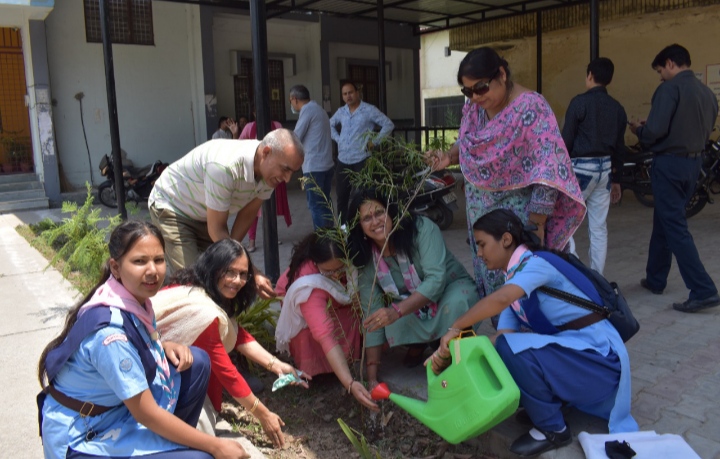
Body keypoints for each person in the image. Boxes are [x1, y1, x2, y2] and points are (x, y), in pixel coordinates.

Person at [429, 209, 637, 457]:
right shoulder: (515, 279)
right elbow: (500, 340)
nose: (479, 253)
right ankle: (550, 405)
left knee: (512, 348)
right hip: (586, 364)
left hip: (602, 366)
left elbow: (501, 301)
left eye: (482, 244)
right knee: (507, 348)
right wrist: (456, 352)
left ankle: (553, 428)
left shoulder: (537, 265)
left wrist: (456, 327)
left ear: (506, 240)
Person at [37, 220, 250, 459]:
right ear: (115, 267)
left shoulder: (132, 300)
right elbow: (145, 412)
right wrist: (213, 445)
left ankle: (174, 444)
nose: (153, 270)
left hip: (115, 412)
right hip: (86, 434)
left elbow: (140, 341)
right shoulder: (110, 335)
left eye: (158, 260)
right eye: (140, 261)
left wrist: (164, 346)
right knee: (203, 457)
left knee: (196, 362)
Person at [428, 47, 585, 306]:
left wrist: (536, 229)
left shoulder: (531, 108)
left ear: (501, 74)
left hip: (514, 224)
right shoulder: (475, 108)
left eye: (481, 88)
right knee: (493, 288)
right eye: (467, 91)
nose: (475, 97)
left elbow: (549, 171)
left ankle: (520, 342)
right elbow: (466, 143)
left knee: (521, 293)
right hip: (481, 221)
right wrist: (449, 156)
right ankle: (503, 338)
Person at [153, 239, 309, 447]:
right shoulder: (203, 313)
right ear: (213, 268)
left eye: (243, 274)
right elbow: (227, 372)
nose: (237, 281)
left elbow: (236, 333)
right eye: (229, 272)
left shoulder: (197, 287)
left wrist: (277, 365)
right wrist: (264, 415)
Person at [347, 189, 479, 381]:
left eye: (379, 212)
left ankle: (446, 350)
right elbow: (371, 313)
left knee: (458, 303)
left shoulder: (422, 228)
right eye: (367, 218)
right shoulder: (367, 257)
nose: (375, 222)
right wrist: (372, 379)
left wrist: (397, 311)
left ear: (390, 210)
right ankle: (425, 342)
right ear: (359, 226)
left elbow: (436, 280)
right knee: (386, 319)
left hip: (449, 289)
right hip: (412, 305)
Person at [148, 129, 304, 288]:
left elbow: (247, 215)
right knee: (194, 282)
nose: (287, 179)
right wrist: (250, 271)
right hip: (172, 207)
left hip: (204, 215)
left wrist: (236, 263)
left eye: (292, 172)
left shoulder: (269, 174)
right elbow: (217, 229)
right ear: (266, 152)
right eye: (285, 169)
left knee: (219, 276)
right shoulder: (224, 166)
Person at [629, 44, 720, 313]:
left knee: (675, 227)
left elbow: (656, 130)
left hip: (669, 164)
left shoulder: (669, 89)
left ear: (670, 63)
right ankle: (656, 278)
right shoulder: (706, 93)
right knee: (665, 219)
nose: (660, 77)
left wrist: (640, 131)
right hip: (693, 165)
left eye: (660, 71)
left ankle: (703, 289)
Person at [274, 232, 378, 411]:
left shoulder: (352, 261)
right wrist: (350, 383)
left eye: (341, 269)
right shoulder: (308, 286)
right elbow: (326, 336)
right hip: (303, 310)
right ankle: (319, 372)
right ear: (316, 264)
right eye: (330, 272)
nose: (337, 276)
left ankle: (343, 363)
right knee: (314, 331)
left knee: (354, 315)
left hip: (336, 301)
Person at [562, 57, 628, 274]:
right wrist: (617, 180)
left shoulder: (579, 102)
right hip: (605, 171)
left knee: (564, 223)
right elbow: (620, 147)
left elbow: (566, 141)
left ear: (589, 75)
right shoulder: (618, 108)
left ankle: (576, 274)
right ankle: (597, 277)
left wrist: (559, 173)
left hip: (581, 169)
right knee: (599, 228)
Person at [330, 82, 394, 223]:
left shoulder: (369, 110)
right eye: (345, 94)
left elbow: (388, 124)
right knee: (342, 196)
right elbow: (330, 124)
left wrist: (375, 141)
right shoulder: (341, 111)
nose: (348, 96)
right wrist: (338, 139)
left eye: (351, 92)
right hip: (343, 160)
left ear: (357, 92)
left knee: (366, 195)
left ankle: (367, 224)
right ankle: (343, 229)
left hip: (362, 159)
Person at [238, 115, 291, 252]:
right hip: (254, 174)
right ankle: (251, 241)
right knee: (252, 209)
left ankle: (272, 235)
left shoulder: (277, 126)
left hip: (272, 173)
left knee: (271, 206)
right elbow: (240, 145)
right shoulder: (250, 127)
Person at [289, 85, 335, 229]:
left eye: (290, 101)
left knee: (316, 206)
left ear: (295, 99)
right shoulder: (319, 109)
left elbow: (295, 137)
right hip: (326, 165)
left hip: (314, 167)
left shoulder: (307, 110)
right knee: (325, 204)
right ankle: (331, 238)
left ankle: (323, 241)